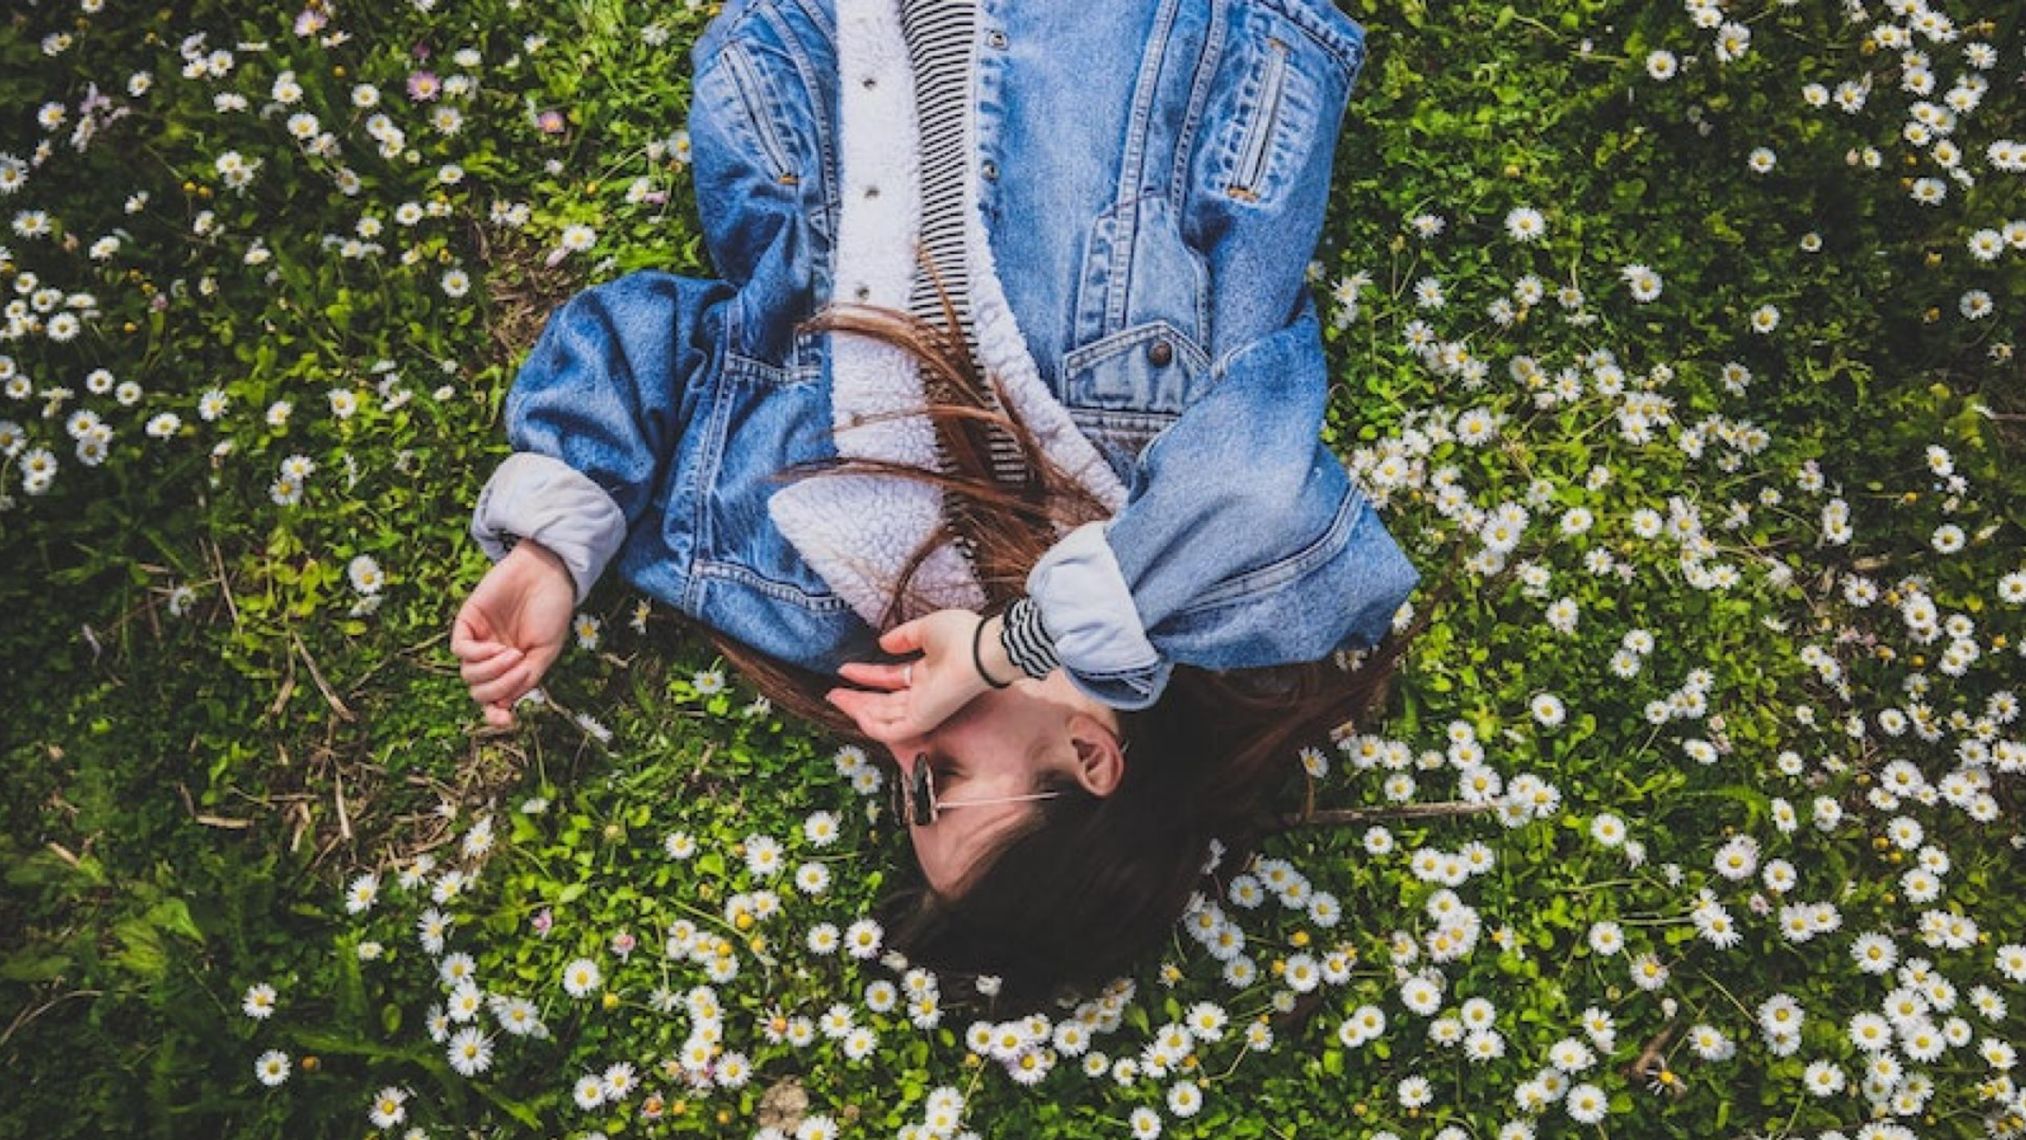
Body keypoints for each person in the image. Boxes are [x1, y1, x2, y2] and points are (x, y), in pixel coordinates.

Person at [453, 0, 1419, 1006]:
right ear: (1091, 755)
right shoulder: (1207, 576)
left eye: (897, 790)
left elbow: (653, 341)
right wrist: (1013, 646)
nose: (892, 745)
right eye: (937, 784)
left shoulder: (814, 575)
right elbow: (1266, 497)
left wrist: (551, 553)